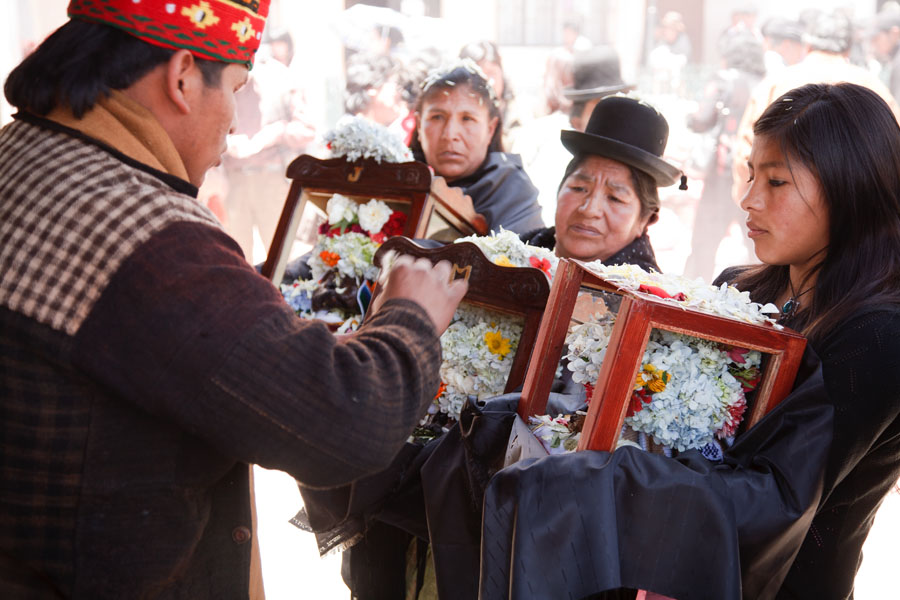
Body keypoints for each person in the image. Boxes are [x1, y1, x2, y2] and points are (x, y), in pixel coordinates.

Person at [0, 1, 468, 598]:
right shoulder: (147, 236)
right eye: (237, 90)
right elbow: (346, 422)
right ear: (182, 77)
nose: (234, 125)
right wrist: (411, 314)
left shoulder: (21, 154)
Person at [732, 9, 900, 204]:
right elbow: (893, 147)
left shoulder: (775, 85)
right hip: (854, 208)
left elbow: (747, 150)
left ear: (808, 45)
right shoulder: (872, 87)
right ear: (848, 49)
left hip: (785, 207)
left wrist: (747, 197)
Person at [520, 94, 684, 273]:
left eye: (615, 198)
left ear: (644, 220)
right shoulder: (509, 257)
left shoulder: (649, 298)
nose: (589, 210)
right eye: (579, 188)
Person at [409, 60, 545, 234]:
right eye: (437, 117)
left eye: (467, 119)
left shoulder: (513, 193)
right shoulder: (394, 181)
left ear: (490, 129)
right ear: (419, 125)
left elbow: (517, 258)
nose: (450, 135)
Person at [682, 29, 765, 281]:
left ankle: (692, 295)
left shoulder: (723, 79)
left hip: (722, 172)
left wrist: (690, 119)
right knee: (755, 241)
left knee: (705, 240)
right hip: (753, 174)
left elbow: (702, 119)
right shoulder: (765, 83)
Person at [459, 40, 523, 149]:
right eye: (479, 75)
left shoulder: (520, 116)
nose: (488, 82)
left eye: (492, 73)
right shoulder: (454, 120)